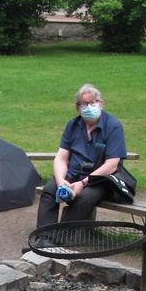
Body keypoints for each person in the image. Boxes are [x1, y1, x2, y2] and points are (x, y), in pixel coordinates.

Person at [34, 83, 129, 232]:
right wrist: (61, 182)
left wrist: (83, 183)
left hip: (99, 180)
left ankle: (60, 237)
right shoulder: (72, 125)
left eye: (93, 102)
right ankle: (43, 235)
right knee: (49, 190)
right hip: (73, 174)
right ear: (78, 107)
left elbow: (112, 165)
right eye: (85, 104)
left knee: (84, 198)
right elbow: (61, 158)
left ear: (101, 103)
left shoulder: (113, 126)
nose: (89, 107)